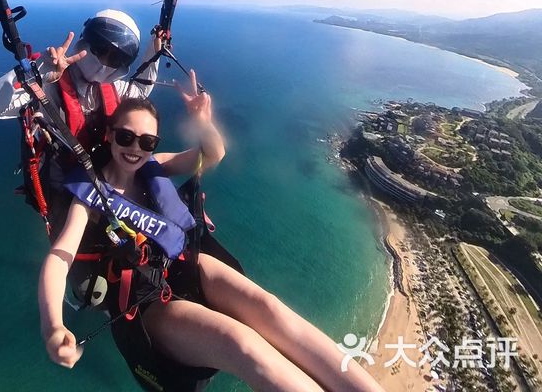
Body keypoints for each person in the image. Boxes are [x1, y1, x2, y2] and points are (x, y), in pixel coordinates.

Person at [38, 71, 384, 392]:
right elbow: (60, 257)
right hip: (147, 302)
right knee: (242, 345)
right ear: (111, 135)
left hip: (188, 265)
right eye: (126, 137)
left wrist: (202, 121)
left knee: (271, 310)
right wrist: (53, 325)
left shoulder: (156, 167)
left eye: (147, 142)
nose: (135, 149)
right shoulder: (90, 197)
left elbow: (212, 153)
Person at [0, 9, 162, 148]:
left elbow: (141, 90)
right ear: (85, 43)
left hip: (98, 184)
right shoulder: (48, 89)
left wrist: (155, 48)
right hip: (61, 187)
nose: (103, 63)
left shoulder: (117, 89)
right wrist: (36, 73)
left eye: (114, 58)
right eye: (100, 50)